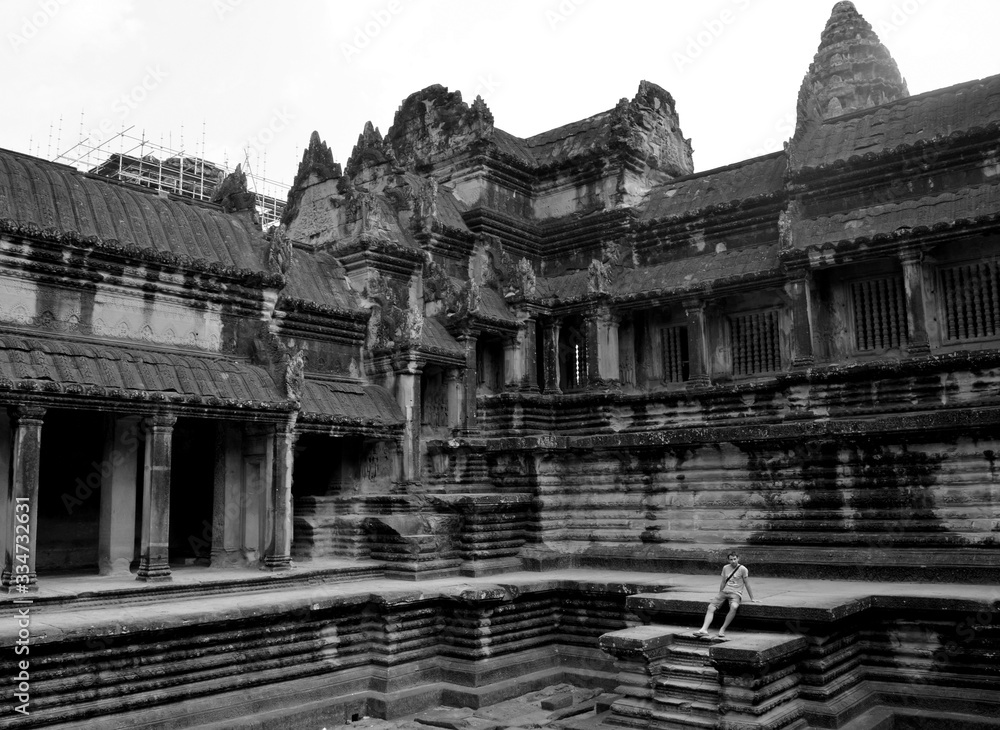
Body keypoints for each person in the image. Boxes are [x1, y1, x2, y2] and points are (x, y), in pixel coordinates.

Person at [693, 552, 756, 640]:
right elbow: (723, 582)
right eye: (731, 559)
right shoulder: (725, 568)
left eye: (734, 559)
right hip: (724, 592)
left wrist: (752, 598)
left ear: (738, 559)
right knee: (711, 607)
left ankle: (722, 629)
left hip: (736, 593)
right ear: (728, 560)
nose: (733, 561)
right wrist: (719, 594)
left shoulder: (743, 569)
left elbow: (747, 584)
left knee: (734, 607)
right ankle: (704, 629)